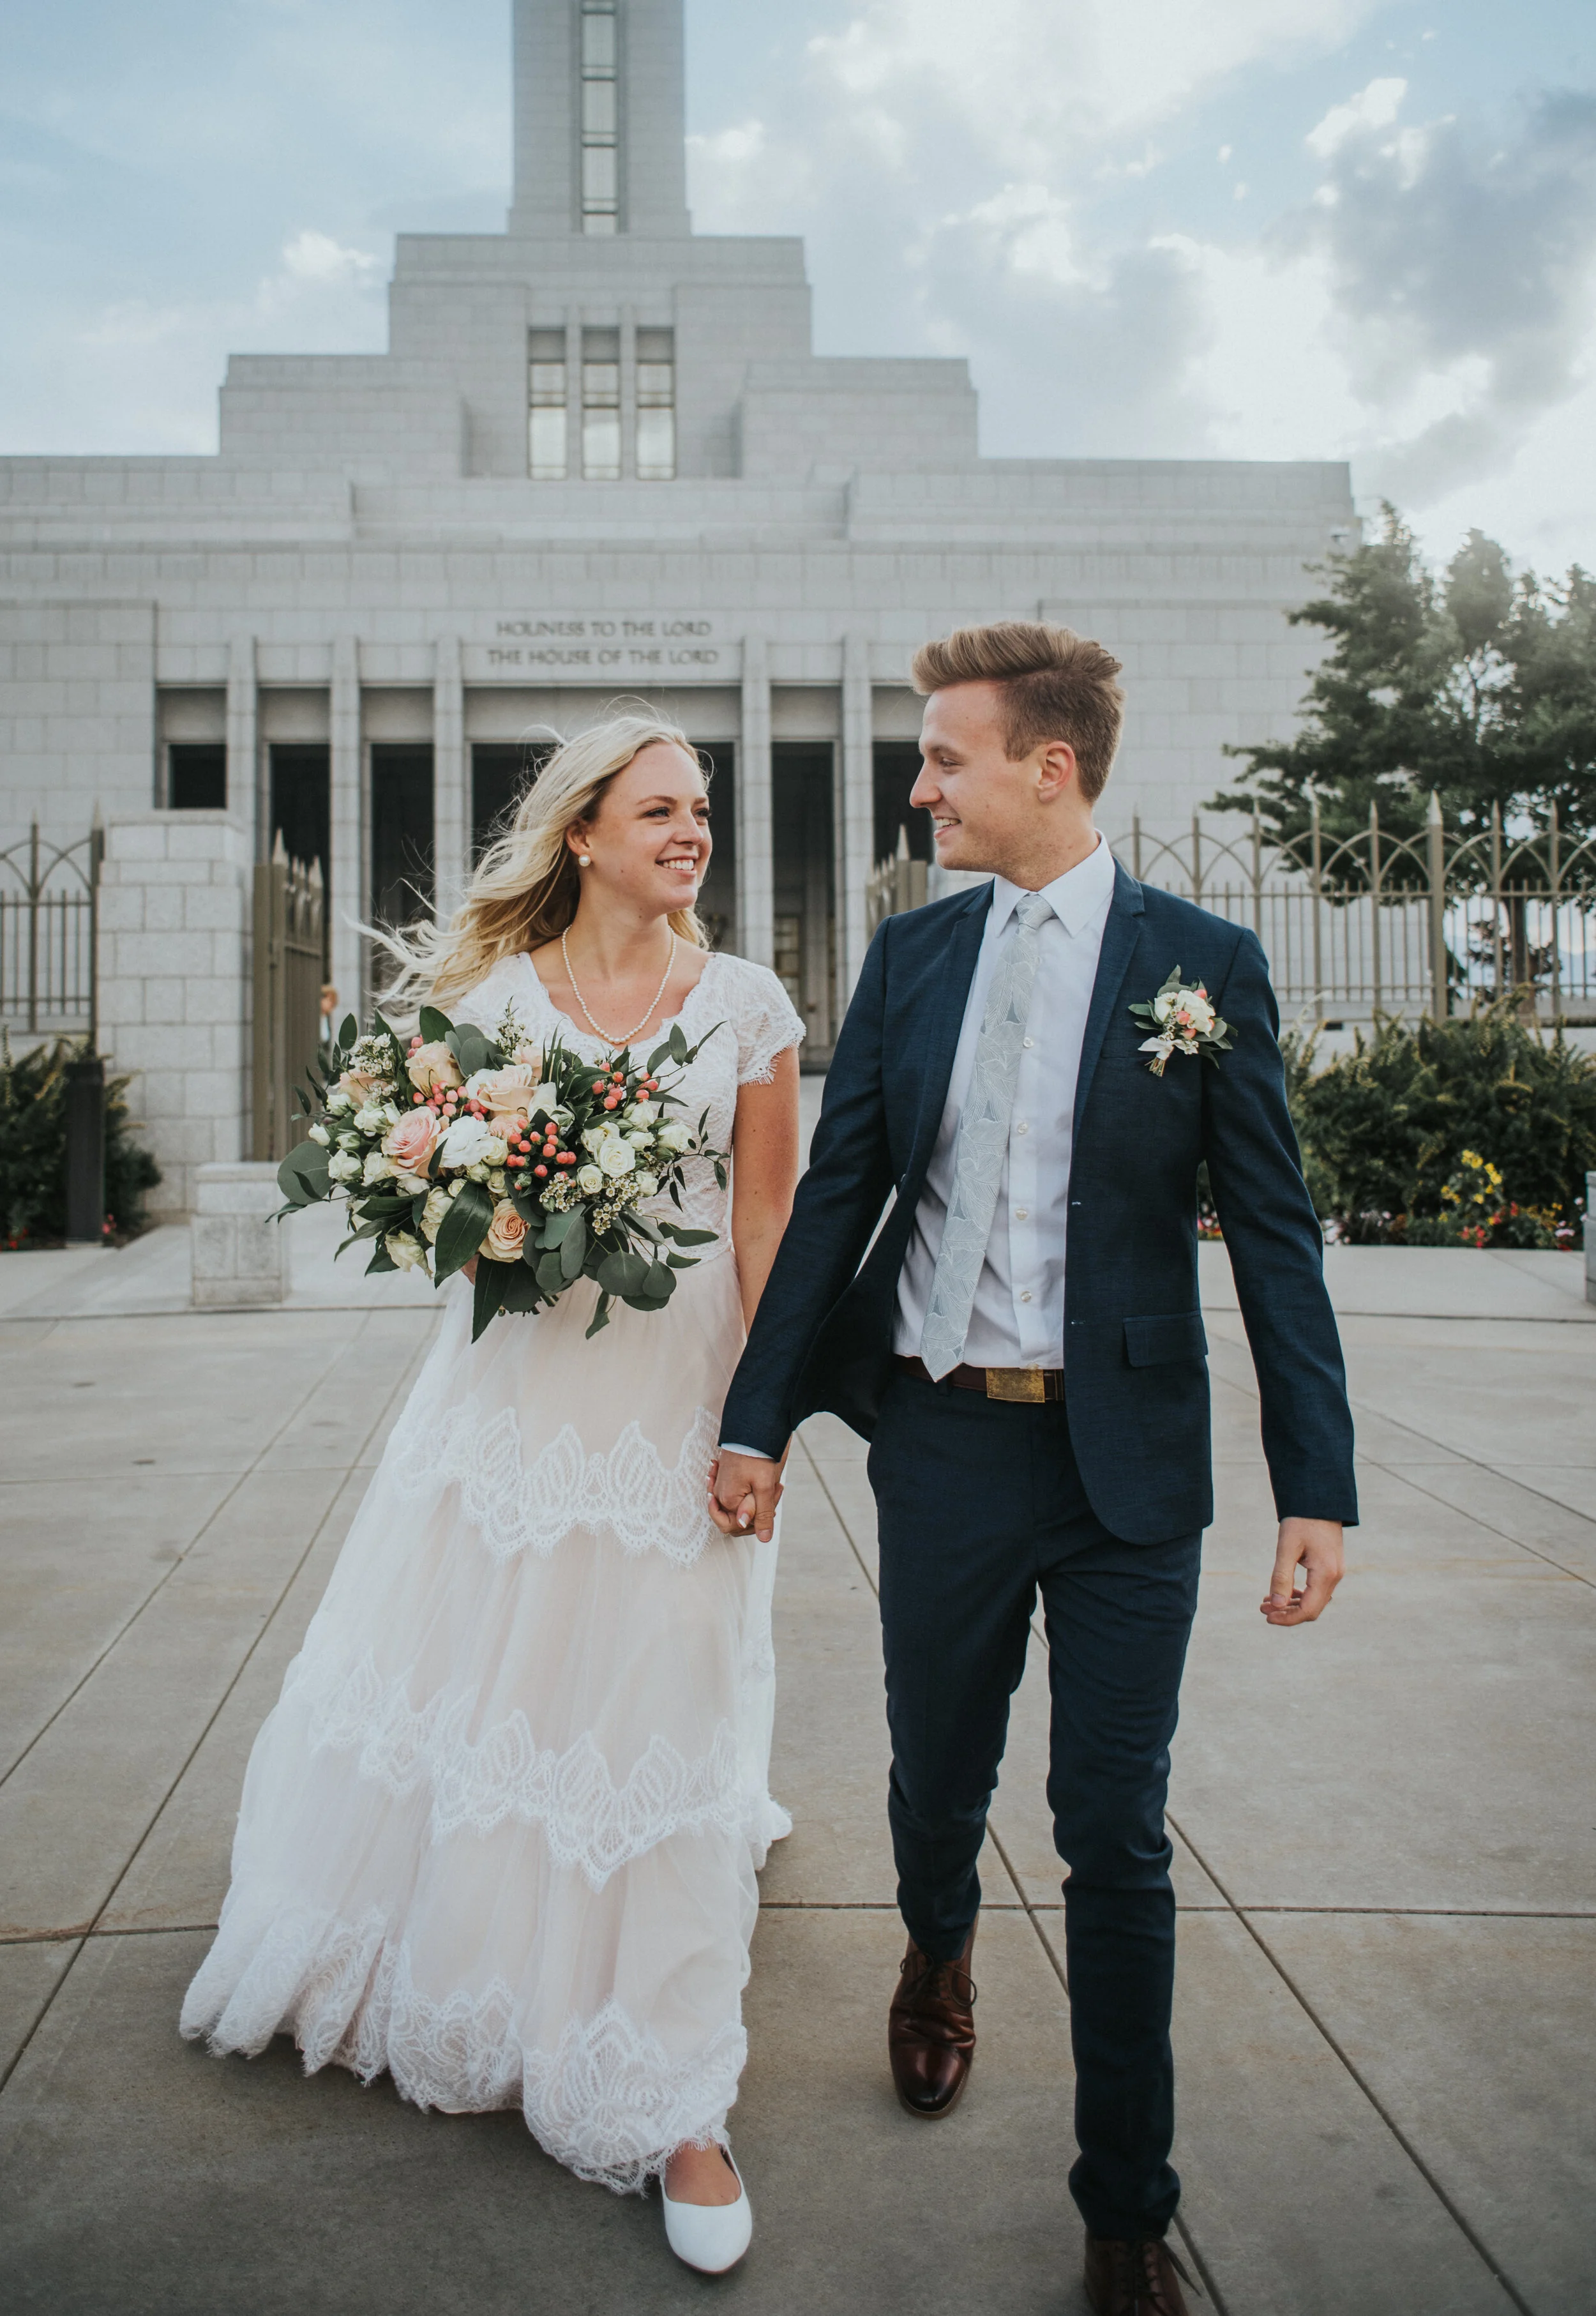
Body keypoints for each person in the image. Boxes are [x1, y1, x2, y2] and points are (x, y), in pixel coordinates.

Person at [711, 624, 1356, 2316]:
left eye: (942, 756)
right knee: (938, 1775)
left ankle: (1124, 2209)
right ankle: (936, 1939)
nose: (918, 784)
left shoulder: (1195, 964)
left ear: (1044, 768)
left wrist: (1317, 1481)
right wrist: (754, 1418)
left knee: (1112, 1832)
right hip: (940, 1435)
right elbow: (837, 1197)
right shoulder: (915, 960)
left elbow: (1274, 1243)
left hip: (1127, 1463)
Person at [183, 713, 803, 2277]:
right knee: (492, 1677)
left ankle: (669, 2091)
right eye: (657, 808)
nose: (691, 832)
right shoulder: (487, 1003)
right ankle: (469, 1962)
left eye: (703, 810)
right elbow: (435, 1215)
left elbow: (765, 1229)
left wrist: (764, 1420)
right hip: (512, 1402)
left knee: (659, 1699)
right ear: (580, 834)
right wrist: (487, 1205)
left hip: (677, 1405)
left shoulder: (747, 1005)